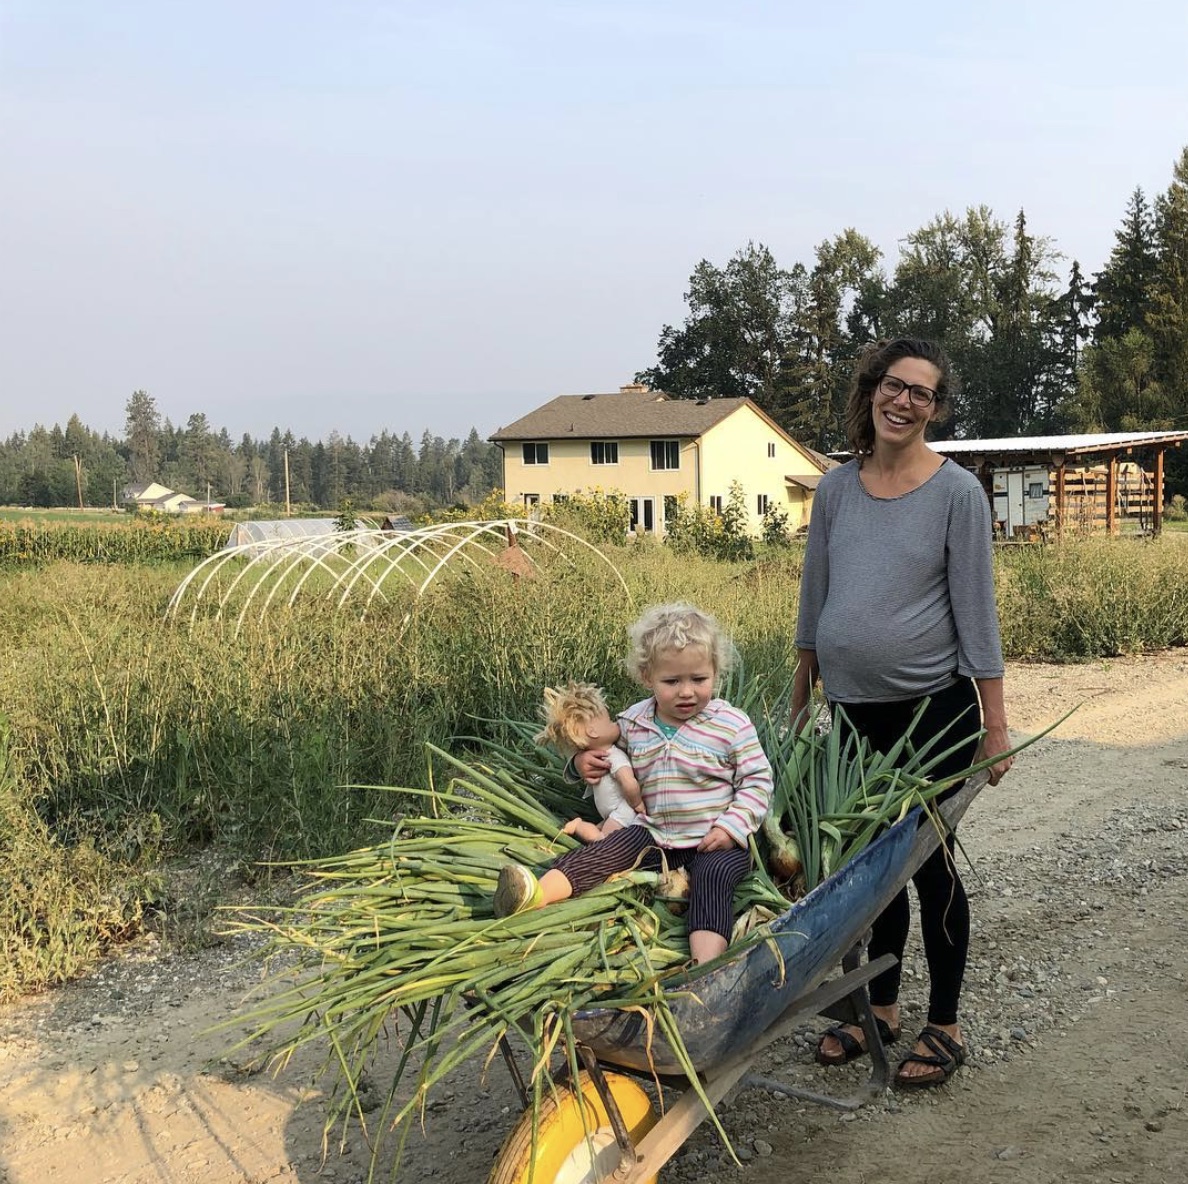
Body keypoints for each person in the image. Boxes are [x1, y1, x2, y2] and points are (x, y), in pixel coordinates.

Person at [791, 336, 1013, 1089]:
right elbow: (813, 598)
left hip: (932, 716)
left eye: (922, 392)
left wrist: (997, 724)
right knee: (866, 869)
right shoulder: (836, 490)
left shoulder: (956, 494)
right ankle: (878, 1010)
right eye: (895, 386)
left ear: (936, 409)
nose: (904, 401)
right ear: (872, 392)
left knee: (929, 869)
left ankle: (944, 1024)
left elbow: (976, 615)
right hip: (852, 716)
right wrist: (799, 702)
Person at [494, 602, 773, 965]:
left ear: (715, 673)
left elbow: (757, 781)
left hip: (713, 839)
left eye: (699, 679)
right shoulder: (634, 722)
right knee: (603, 853)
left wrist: (732, 827)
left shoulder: (732, 725)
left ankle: (706, 966)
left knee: (713, 879)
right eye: (671, 682)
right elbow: (601, 747)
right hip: (653, 833)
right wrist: (580, 764)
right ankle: (534, 893)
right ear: (647, 677)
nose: (686, 692)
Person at [535, 680, 645, 843]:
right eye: (610, 721)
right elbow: (628, 783)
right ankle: (582, 830)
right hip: (623, 811)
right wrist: (578, 763)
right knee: (605, 841)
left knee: (605, 834)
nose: (616, 722)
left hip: (620, 812)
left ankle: (582, 829)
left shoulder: (615, 752)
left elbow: (628, 783)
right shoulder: (623, 737)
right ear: (592, 732)